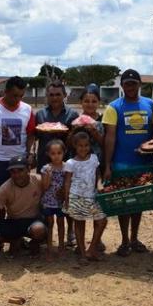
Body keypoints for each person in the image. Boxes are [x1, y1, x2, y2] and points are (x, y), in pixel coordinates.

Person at [103, 69, 153, 257]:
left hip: (143, 163)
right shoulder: (114, 107)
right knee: (123, 203)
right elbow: (110, 138)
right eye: (127, 83)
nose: (130, 87)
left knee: (139, 202)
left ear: (139, 85)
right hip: (122, 163)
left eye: (133, 83)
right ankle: (124, 240)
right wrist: (108, 165)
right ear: (122, 86)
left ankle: (134, 238)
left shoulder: (150, 105)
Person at [0, 76, 35, 254]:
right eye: (13, 95)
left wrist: (29, 154)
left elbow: (31, 135)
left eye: (20, 96)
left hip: (20, 163)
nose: (16, 100)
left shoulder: (27, 110)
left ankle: (19, 237)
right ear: (5, 91)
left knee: (20, 202)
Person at [35, 80, 79, 247]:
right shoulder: (39, 115)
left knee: (65, 197)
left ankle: (70, 231)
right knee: (45, 198)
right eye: (51, 94)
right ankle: (45, 232)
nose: (54, 98)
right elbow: (34, 137)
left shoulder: (72, 115)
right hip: (44, 163)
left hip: (65, 165)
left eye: (58, 94)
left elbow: (75, 139)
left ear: (64, 96)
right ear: (47, 96)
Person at [0, 156, 46, 257]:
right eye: (13, 171)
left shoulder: (38, 180)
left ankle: (34, 243)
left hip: (33, 220)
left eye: (20, 170)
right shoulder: (5, 188)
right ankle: (16, 240)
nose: (17, 175)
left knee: (39, 229)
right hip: (13, 221)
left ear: (28, 169)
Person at [64, 131, 107, 262]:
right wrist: (66, 199)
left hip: (92, 196)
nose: (83, 148)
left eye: (86, 145)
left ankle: (91, 249)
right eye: (80, 146)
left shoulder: (94, 158)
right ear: (75, 146)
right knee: (79, 224)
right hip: (77, 197)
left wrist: (99, 184)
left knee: (101, 221)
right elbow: (67, 182)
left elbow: (98, 174)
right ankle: (82, 253)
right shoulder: (71, 163)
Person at [41, 139, 66, 258]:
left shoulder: (67, 167)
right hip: (48, 201)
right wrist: (49, 177)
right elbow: (44, 187)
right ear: (48, 154)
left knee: (61, 223)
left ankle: (61, 246)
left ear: (63, 153)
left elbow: (69, 184)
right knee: (50, 223)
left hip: (61, 201)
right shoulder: (46, 168)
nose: (56, 156)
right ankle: (49, 246)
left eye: (59, 153)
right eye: (53, 153)